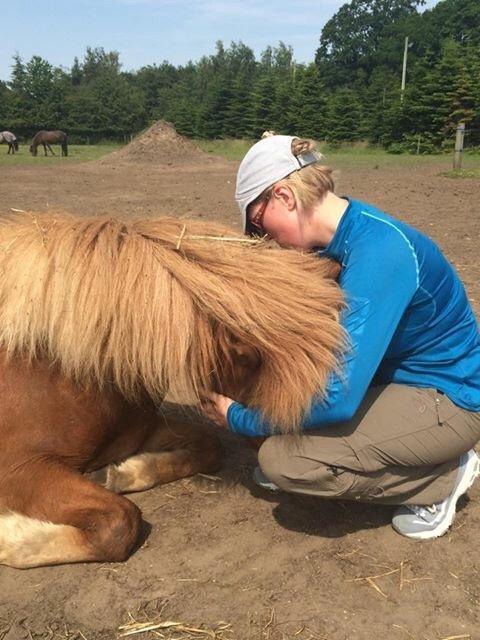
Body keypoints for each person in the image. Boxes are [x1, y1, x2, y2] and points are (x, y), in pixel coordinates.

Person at [201, 135, 480, 540]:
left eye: (258, 225)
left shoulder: (380, 253)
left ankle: (439, 480)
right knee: (288, 429)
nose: (263, 240)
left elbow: (338, 398)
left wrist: (238, 419)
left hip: (448, 400)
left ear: (284, 195)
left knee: (286, 463)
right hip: (397, 383)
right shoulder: (343, 239)